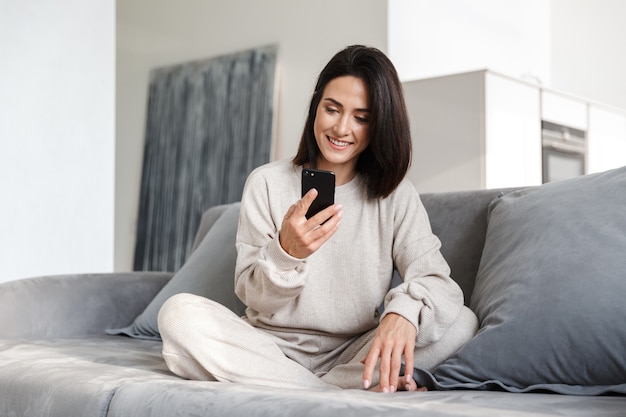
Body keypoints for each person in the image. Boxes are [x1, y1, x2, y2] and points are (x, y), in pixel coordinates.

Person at [158, 45, 478, 393]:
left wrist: (402, 313)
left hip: (355, 351)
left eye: (361, 117)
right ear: (316, 106)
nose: (342, 128)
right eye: (332, 109)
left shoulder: (395, 195)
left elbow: (438, 283)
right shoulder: (267, 183)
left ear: (379, 124)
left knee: (462, 322)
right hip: (269, 349)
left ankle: (303, 389)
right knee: (178, 315)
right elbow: (253, 297)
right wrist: (285, 252)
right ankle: (332, 394)